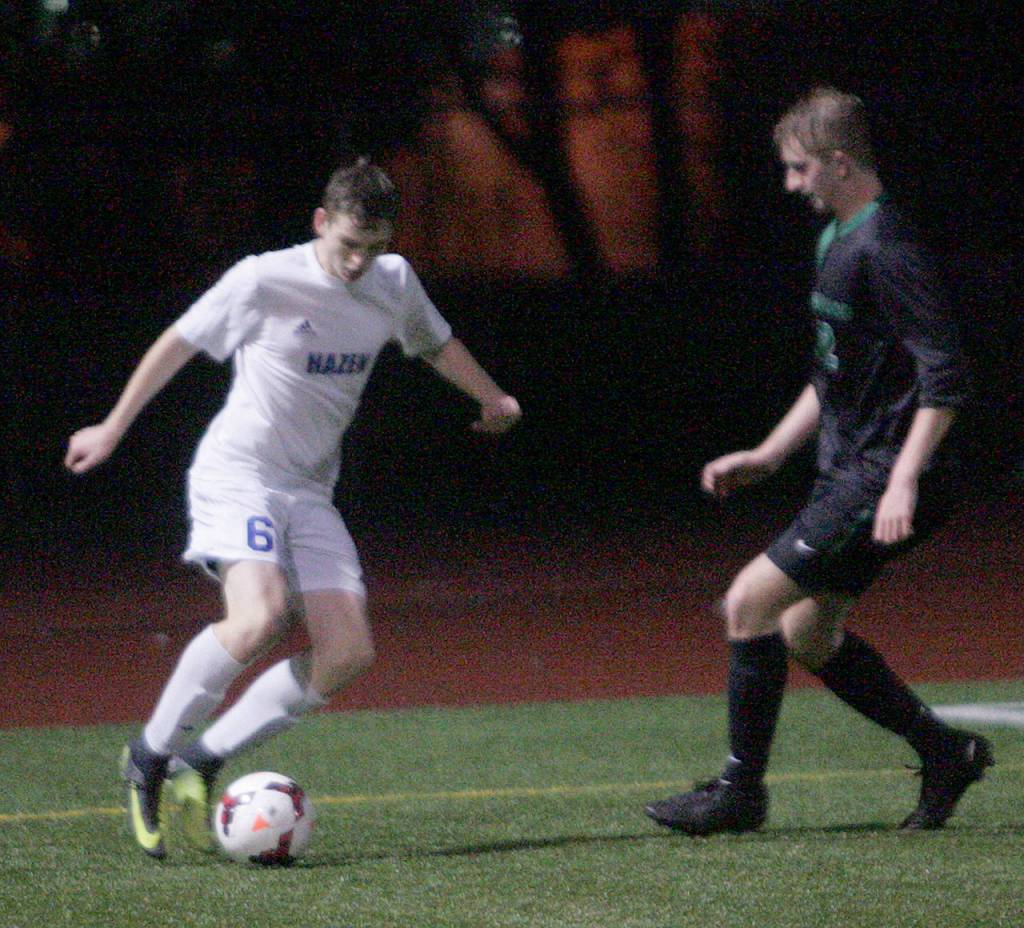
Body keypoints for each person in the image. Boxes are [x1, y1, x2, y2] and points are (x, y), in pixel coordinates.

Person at [65, 158, 522, 858]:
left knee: (347, 652)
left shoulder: (392, 282)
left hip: (309, 490)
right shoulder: (264, 279)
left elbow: (434, 342)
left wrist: (490, 397)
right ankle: (150, 754)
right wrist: (114, 425)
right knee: (260, 617)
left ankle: (203, 757)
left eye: (373, 247)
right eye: (348, 245)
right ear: (320, 222)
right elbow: (179, 342)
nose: (358, 261)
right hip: (239, 474)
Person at [645, 87, 992, 835]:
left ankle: (741, 794)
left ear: (840, 163)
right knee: (805, 634)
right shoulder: (838, 237)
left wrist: (903, 479)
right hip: (854, 469)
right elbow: (833, 373)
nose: (790, 184)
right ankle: (946, 752)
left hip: (888, 474)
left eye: (800, 169)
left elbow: (948, 376)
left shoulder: (887, 247)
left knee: (748, 604)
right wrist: (770, 453)